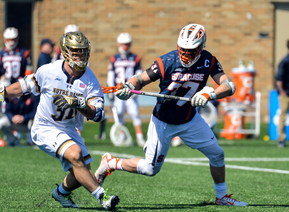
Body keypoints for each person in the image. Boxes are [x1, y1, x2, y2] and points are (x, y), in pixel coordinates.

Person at [95, 23, 248, 207]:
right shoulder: (166, 61)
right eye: (182, 49)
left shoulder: (208, 60)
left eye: (190, 50)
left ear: (201, 47)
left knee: (217, 155)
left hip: (190, 119)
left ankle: (221, 197)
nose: (185, 54)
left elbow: (229, 85)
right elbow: (140, 79)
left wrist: (210, 94)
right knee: (150, 169)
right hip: (164, 121)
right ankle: (111, 162)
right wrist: (128, 86)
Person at [0, 31, 119, 210]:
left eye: (83, 51)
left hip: (68, 129)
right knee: (75, 154)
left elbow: (98, 115)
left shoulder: (90, 80)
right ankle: (103, 197)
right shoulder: (49, 70)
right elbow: (23, 87)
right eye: (75, 51)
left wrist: (81, 105)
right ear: (65, 51)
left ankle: (60, 192)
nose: (80, 55)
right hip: (45, 127)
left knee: (82, 170)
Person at [106, 32, 145, 147]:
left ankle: (140, 137)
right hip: (118, 91)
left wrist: (136, 87)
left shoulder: (136, 58)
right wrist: (110, 91)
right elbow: (111, 76)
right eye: (123, 44)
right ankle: (122, 136)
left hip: (130, 91)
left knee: (135, 113)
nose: (125, 46)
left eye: (127, 44)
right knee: (119, 114)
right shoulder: (114, 58)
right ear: (119, 44)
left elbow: (139, 75)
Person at [275, 39, 289, 148]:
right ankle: (281, 139)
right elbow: (279, 79)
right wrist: (282, 92)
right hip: (286, 93)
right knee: (283, 115)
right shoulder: (285, 61)